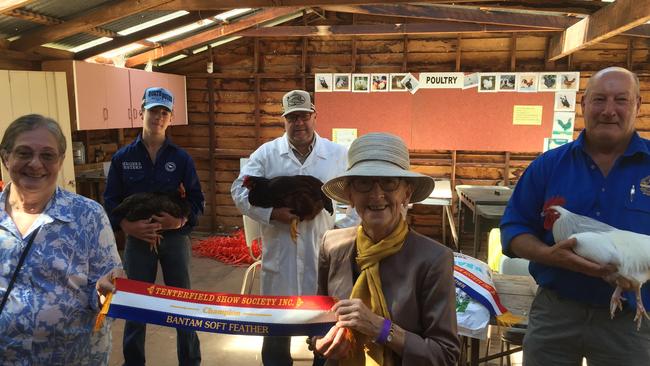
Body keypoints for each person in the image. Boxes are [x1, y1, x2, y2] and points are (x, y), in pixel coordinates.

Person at [500, 66, 650, 365]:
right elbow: (514, 229)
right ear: (583, 104)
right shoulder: (548, 166)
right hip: (557, 309)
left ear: (637, 105)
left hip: (631, 319)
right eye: (599, 99)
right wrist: (550, 255)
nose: (609, 110)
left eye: (621, 99)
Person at [313, 132, 460, 365]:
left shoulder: (433, 259)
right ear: (350, 195)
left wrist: (380, 328)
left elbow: (445, 355)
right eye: (364, 183)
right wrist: (321, 342)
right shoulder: (332, 245)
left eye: (389, 182)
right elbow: (317, 323)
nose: (376, 194)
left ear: (406, 193)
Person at [231, 89, 352, 366]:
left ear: (314, 116)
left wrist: (340, 231)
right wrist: (272, 213)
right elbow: (238, 190)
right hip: (280, 256)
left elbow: (357, 199)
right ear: (284, 120)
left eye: (304, 116)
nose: (299, 123)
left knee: (325, 331)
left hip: (322, 254)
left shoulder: (337, 155)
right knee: (275, 333)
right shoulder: (267, 153)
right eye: (292, 117)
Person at [0, 114, 123, 364]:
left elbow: (109, 289)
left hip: (74, 358)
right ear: (5, 157)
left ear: (61, 160)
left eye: (47, 155)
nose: (36, 164)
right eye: (24, 153)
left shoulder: (88, 216)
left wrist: (106, 293)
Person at [104, 87, 204, 366]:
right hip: (137, 241)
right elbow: (110, 199)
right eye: (153, 111)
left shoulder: (181, 158)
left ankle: (190, 361)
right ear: (141, 113)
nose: (158, 117)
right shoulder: (123, 158)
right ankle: (133, 362)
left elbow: (197, 199)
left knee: (182, 303)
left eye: (164, 113)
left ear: (170, 118)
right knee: (136, 303)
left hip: (174, 239)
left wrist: (179, 221)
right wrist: (126, 227)